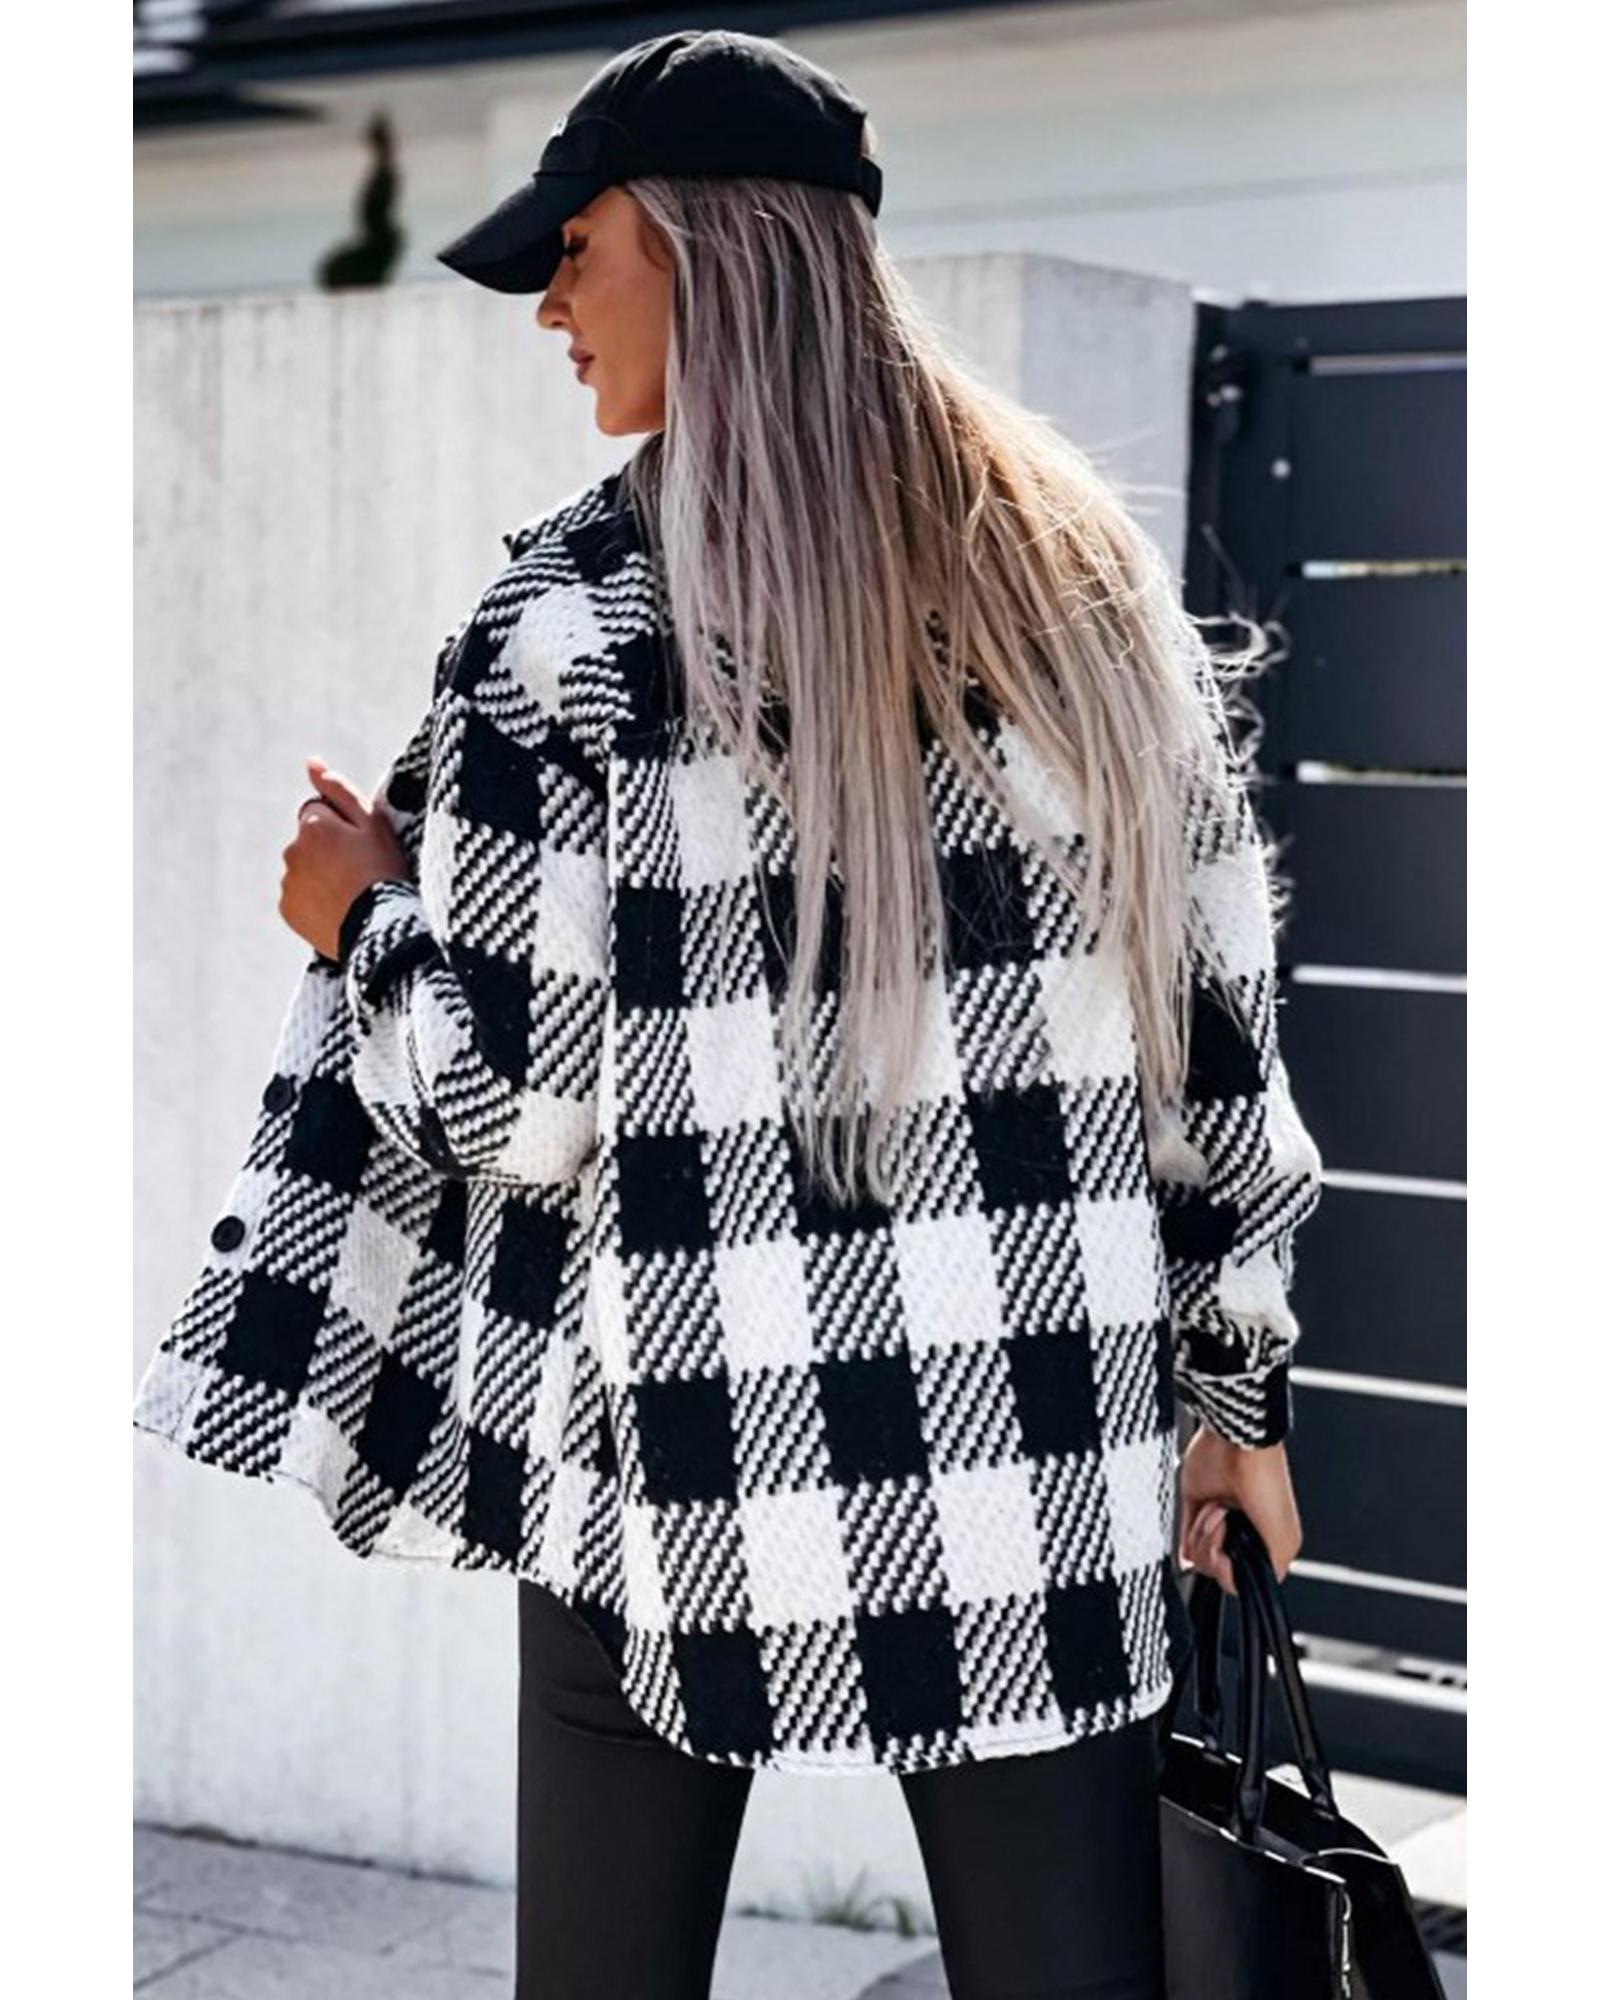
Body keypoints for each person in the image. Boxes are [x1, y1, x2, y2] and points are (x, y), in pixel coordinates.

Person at [135, 28, 1323, 2000]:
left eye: (574, 248)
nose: (547, 306)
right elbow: (1214, 1055)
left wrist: (359, 916)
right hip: (1031, 1462)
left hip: (673, 1468)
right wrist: (1239, 1406)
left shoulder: (571, 628)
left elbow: (510, 1106)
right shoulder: (1084, 599)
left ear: (700, 247)